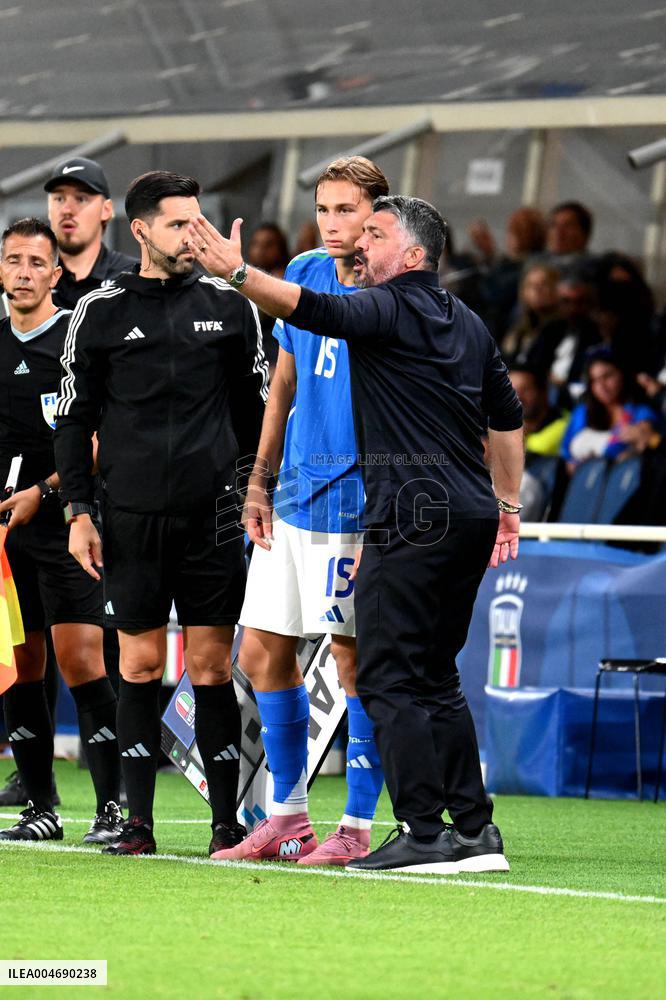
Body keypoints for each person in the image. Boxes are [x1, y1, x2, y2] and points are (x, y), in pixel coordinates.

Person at [188, 194, 524, 874]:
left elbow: (313, 310)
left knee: (386, 675)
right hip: (467, 515)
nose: (358, 245)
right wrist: (509, 503)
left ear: (414, 255)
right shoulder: (468, 322)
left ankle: (424, 833)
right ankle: (476, 833)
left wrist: (235, 272)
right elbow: (507, 414)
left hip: (409, 516)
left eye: (373, 232)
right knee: (436, 677)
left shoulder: (388, 307)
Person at [53, 171, 268, 856]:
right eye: (179, 224)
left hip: (213, 517)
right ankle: (136, 823)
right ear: (140, 229)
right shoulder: (101, 310)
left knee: (210, 668)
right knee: (140, 667)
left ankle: (225, 825)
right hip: (130, 518)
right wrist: (79, 513)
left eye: (198, 221)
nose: (193, 235)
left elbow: (257, 414)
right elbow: (72, 420)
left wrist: (257, 491)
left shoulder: (232, 305)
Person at [210, 156, 389, 867]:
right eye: (325, 208)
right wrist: (259, 479)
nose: (334, 222)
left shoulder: (392, 286)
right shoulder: (307, 271)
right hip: (292, 501)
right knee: (259, 652)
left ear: (378, 215)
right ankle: (288, 815)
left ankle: (356, 824)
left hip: (356, 501)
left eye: (348, 209)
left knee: (353, 663)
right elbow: (280, 386)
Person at [0, 157, 135, 809]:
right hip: (7, 533)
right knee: (20, 666)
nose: (24, 273)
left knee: (83, 660)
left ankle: (112, 805)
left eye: (36, 263)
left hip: (71, 521)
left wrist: (48, 493)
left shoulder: (82, 339)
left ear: (57, 274)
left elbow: (100, 431)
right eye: (13, 262)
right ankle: (40, 804)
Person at [560, 348, 657, 472]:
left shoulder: (641, 412)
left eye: (607, 376)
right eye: (594, 380)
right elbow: (567, 456)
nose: (601, 386)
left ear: (622, 373)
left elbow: (648, 441)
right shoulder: (582, 413)